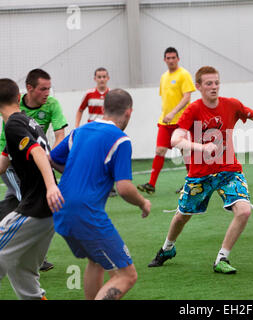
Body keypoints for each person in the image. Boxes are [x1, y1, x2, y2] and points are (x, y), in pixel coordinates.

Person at [147, 66, 253, 274]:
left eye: (216, 82)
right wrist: (201, 147)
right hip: (200, 175)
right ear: (198, 86)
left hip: (229, 171)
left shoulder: (231, 105)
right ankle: (167, 248)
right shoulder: (193, 110)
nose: (214, 87)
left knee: (244, 210)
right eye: (208, 83)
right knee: (182, 215)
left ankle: (222, 259)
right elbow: (175, 139)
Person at [50, 88, 151, 300]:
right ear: (129, 112)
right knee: (127, 275)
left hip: (61, 208)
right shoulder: (121, 140)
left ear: (104, 109)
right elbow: (124, 188)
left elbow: (52, 158)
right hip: (85, 212)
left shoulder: (81, 131)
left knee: (96, 261)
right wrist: (143, 203)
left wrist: (73, 173)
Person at [0, 78, 64, 300]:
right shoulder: (27, 121)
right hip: (49, 214)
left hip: (35, 208)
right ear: (19, 98)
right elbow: (3, 163)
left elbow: (36, 152)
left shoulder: (13, 125)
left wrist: (50, 188)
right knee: (22, 272)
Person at [137, 47, 195, 194]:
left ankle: (191, 183)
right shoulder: (164, 77)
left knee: (185, 152)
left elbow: (187, 97)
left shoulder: (184, 74)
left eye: (173, 58)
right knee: (160, 150)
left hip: (181, 121)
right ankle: (151, 184)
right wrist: (166, 114)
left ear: (178, 59)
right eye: (168, 58)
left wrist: (174, 112)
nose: (171, 60)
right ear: (164, 60)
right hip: (165, 122)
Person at [74, 67, 117, 197]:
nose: (102, 79)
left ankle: (110, 187)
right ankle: (91, 185)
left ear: (108, 78)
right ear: (95, 79)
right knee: (92, 158)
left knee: (108, 158)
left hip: (107, 131)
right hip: (91, 132)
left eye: (104, 77)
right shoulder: (89, 94)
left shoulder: (112, 94)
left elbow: (116, 113)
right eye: (99, 77)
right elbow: (80, 110)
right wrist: (77, 126)